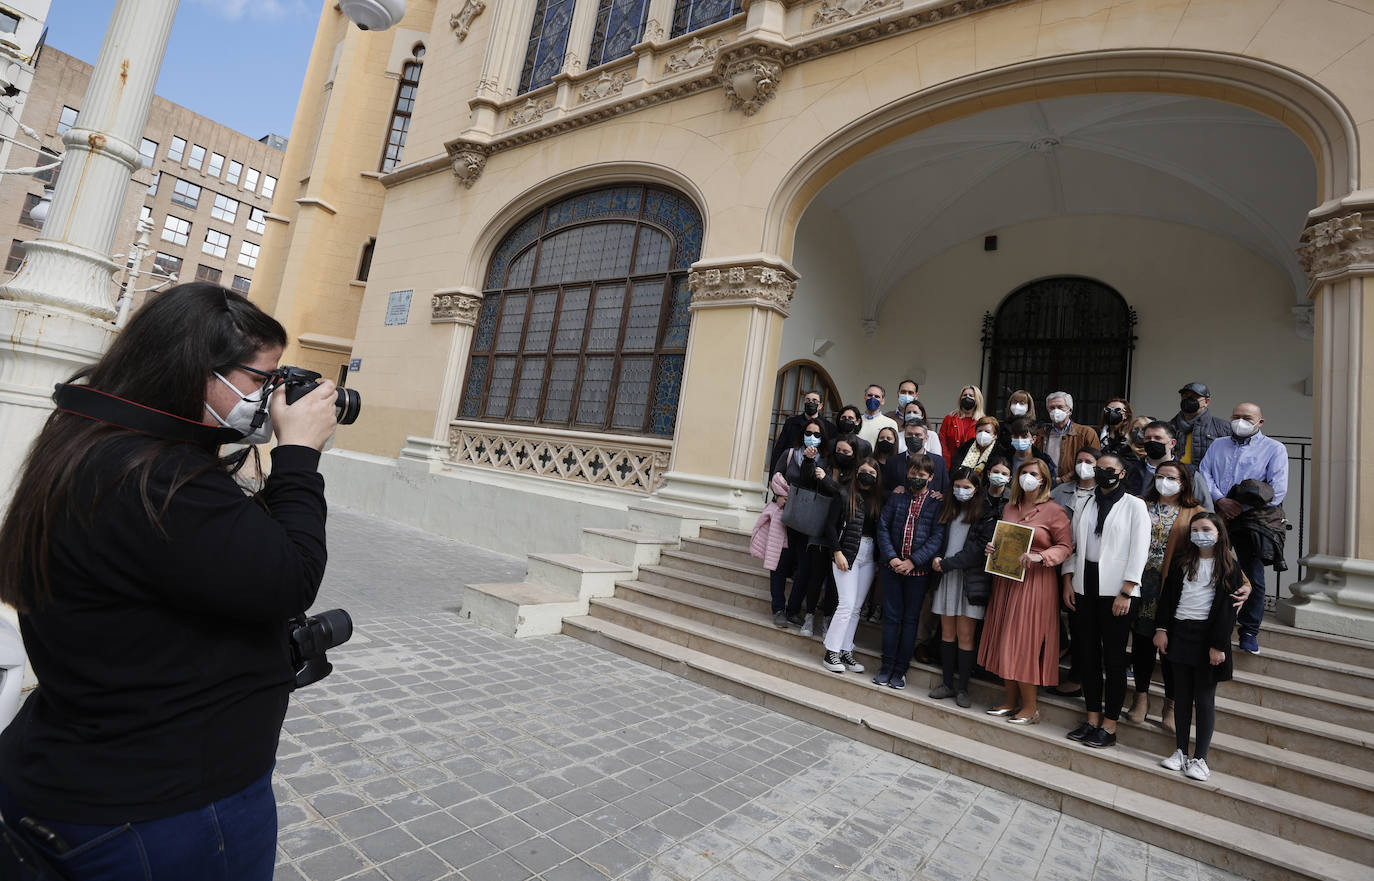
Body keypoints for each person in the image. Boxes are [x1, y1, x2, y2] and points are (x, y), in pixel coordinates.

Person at [0, 284, 340, 880]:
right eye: (261, 380)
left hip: (88, 765)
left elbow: (199, 564)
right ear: (195, 370)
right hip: (165, 807)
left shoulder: (95, 439)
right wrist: (299, 456)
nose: (270, 398)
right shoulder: (157, 478)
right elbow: (289, 579)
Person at [1061, 453, 1151, 749]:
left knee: (1113, 660)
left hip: (1117, 590)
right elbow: (1073, 545)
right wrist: (1068, 580)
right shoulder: (1085, 502)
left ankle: (1110, 726)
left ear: (1122, 474)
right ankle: (1091, 718)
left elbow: (1140, 550)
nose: (1102, 473)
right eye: (1098, 469)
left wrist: (1127, 591)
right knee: (1086, 655)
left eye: (1109, 470)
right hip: (1084, 584)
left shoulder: (1135, 506)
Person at [980, 458, 1073, 724]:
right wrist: (992, 548)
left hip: (1035, 583)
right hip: (1006, 579)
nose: (1027, 477)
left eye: (1033, 473)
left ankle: (1031, 707)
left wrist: (1041, 557)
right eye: (1023, 473)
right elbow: (1005, 537)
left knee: (1024, 642)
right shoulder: (1010, 507)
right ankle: (1010, 700)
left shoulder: (1054, 511)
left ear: (1043, 480)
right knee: (1003, 638)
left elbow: (1066, 547)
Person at [1154, 512, 1244, 782]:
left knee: (1204, 700)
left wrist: (1219, 645)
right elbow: (1168, 599)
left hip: (1208, 638)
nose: (1199, 533)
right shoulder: (1183, 562)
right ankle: (1180, 751)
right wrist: (1162, 629)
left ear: (1219, 533)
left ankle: (1201, 758)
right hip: (1180, 632)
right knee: (1181, 696)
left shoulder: (1229, 566)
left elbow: (1228, 610)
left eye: (1206, 528)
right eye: (1195, 529)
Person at [1198, 402, 1288, 654]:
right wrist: (1221, 501)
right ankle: (1209, 620)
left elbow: (1277, 490)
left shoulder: (1274, 449)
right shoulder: (1218, 444)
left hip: (1252, 520)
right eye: (1235, 416)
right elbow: (1205, 473)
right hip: (1218, 516)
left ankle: (1249, 630)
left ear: (1260, 422)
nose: (1240, 421)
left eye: (1246, 417)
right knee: (1211, 569)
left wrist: (1239, 507)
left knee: (1253, 575)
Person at [1131, 461, 1207, 728]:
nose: (1165, 481)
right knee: (1141, 645)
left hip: (1173, 588)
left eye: (1171, 477)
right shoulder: (1140, 504)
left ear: (1184, 482)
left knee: (1169, 649)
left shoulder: (1195, 511)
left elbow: (1215, 548)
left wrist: (1241, 582)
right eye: (1160, 476)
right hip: (1141, 584)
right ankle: (1141, 697)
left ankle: (1171, 704)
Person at [873, 455, 946, 690]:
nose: (916, 478)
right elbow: (883, 526)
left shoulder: (936, 503)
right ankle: (886, 666)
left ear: (931, 478)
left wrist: (914, 561)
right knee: (892, 618)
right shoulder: (896, 498)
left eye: (921, 475)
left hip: (918, 573)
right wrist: (892, 558)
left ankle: (900, 670)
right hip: (891, 568)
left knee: (910, 620)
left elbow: (937, 538)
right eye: (913, 474)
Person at [930, 468, 997, 707]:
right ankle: (947, 683)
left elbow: (978, 551)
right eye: (957, 486)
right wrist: (936, 558)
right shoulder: (947, 509)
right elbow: (935, 538)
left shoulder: (986, 513)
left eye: (967, 487)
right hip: (945, 577)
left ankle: (963, 688)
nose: (961, 491)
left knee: (965, 636)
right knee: (947, 633)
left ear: (976, 488)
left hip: (969, 580)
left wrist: (947, 563)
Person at [786, 436, 856, 635]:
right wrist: (809, 462)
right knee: (815, 576)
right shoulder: (823, 465)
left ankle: (826, 619)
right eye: (839, 450)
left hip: (840, 533)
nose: (841, 454)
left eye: (846, 452)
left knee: (834, 583)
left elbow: (845, 495)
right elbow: (806, 481)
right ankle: (809, 617)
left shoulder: (853, 475)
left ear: (853, 455)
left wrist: (826, 481)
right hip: (817, 528)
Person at [821, 458, 883, 674]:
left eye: (872, 473)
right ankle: (831, 652)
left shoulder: (877, 500)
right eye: (864, 471)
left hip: (868, 554)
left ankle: (846, 649)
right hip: (846, 552)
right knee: (846, 604)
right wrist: (836, 551)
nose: (867, 475)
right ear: (857, 473)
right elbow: (829, 525)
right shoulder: (844, 494)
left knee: (856, 607)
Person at [1047, 445, 1101, 698]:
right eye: (1079, 460)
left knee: (1082, 624)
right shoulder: (1060, 491)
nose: (1083, 465)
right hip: (1052, 562)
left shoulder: (1103, 494)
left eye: (1089, 461)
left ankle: (1078, 675)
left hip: (1085, 566)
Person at [768, 419, 828, 627]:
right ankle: (778, 608)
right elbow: (776, 477)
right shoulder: (790, 454)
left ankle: (793, 609)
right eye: (809, 432)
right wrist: (778, 496)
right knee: (780, 563)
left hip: (810, 519)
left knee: (804, 568)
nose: (812, 437)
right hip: (787, 515)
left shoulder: (826, 460)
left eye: (817, 434)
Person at [1132, 421, 1213, 511]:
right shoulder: (1131, 471)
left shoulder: (1189, 473)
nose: (1152, 441)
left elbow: (1207, 509)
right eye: (1148, 438)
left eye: (1158, 438)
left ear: (1172, 443)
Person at [1036, 391, 1099, 484]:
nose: (1055, 411)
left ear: (1070, 410)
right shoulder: (1041, 434)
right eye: (1052, 408)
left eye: (1060, 407)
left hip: (1074, 485)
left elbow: (1094, 462)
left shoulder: (1086, 433)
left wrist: (1063, 479)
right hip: (1045, 485)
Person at [882, 418, 949, 499]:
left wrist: (942, 496)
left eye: (918, 435)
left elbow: (946, 490)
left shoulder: (939, 462)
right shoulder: (892, 462)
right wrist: (893, 493)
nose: (913, 438)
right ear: (904, 437)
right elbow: (883, 491)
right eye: (909, 434)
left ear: (926, 438)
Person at [770, 390, 836, 470]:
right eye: (808, 400)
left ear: (820, 405)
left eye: (814, 401)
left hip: (817, 471)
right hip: (791, 469)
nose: (810, 403)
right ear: (804, 403)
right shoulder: (791, 423)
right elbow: (779, 448)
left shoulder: (829, 427)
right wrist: (773, 475)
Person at [1170, 382, 1230, 466]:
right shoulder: (1169, 427)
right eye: (1185, 396)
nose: (1188, 400)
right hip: (1176, 476)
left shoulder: (1223, 427)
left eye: (1194, 397)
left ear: (1206, 402)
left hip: (1206, 477)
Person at [1096, 398, 1142, 478]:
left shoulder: (1132, 435)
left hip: (1128, 477)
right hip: (1102, 476)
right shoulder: (1097, 434)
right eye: (1108, 410)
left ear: (1126, 415)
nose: (1112, 412)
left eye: (1118, 410)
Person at [1007, 418, 1057, 485]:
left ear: (1033, 439)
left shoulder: (1045, 461)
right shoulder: (1004, 459)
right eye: (1016, 436)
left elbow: (1049, 486)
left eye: (1024, 436)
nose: (1019, 439)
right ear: (1011, 438)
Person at [939, 385, 984, 457]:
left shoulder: (983, 421)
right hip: (950, 461)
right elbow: (942, 440)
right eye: (964, 395)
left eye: (971, 395)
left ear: (977, 400)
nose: (967, 397)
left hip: (972, 463)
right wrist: (946, 460)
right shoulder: (949, 419)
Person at [872, 426, 901, 491]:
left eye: (889, 438)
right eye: (882, 438)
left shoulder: (900, 462)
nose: (885, 440)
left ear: (895, 441)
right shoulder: (871, 460)